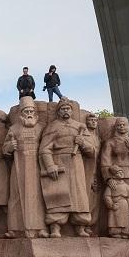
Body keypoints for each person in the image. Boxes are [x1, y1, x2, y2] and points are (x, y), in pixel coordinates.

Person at [39, 97, 95, 237]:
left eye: (68, 108)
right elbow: (45, 149)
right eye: (63, 108)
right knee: (58, 195)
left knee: (79, 195)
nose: (66, 111)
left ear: (72, 111)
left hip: (76, 163)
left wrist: (83, 143)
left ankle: (80, 226)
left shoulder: (80, 127)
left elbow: (92, 151)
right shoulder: (52, 127)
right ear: (58, 111)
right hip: (59, 163)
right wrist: (50, 165)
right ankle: (55, 227)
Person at [3, 96, 49, 238]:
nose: (29, 114)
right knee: (16, 196)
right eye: (26, 111)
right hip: (18, 167)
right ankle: (15, 228)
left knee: (37, 197)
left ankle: (40, 227)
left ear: (35, 113)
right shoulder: (13, 129)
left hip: (35, 166)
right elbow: (4, 148)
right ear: (21, 114)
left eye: (31, 111)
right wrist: (10, 147)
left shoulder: (41, 128)